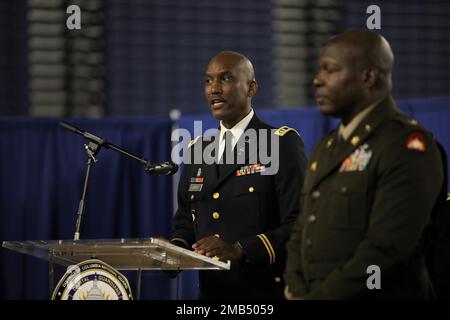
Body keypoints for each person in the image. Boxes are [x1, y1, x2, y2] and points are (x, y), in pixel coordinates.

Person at [284, 30, 445, 299]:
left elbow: (386, 250)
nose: (317, 80)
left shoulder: (407, 145)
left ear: (368, 76)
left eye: (330, 70)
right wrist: (296, 287)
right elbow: (302, 229)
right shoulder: (328, 146)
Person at [170, 51, 308, 299]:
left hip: (264, 294)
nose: (214, 89)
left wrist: (241, 249)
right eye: (208, 80)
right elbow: (185, 222)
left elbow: (300, 224)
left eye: (225, 78)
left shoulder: (279, 144)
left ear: (251, 88)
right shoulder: (198, 151)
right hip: (212, 295)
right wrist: (173, 250)